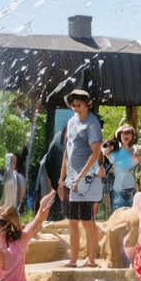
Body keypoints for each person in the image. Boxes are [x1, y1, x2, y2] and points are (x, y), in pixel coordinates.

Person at [58, 89, 105, 267]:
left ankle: (91, 259)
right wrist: (62, 178)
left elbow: (96, 152)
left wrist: (82, 175)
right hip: (72, 179)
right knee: (72, 221)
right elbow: (67, 151)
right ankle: (73, 259)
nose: (76, 109)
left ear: (88, 104)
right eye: (73, 106)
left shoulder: (92, 122)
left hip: (87, 178)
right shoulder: (71, 122)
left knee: (87, 221)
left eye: (79, 105)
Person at [110, 124, 139, 210]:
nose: (127, 135)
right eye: (124, 133)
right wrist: (135, 161)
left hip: (132, 189)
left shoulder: (134, 151)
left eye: (129, 133)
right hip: (119, 191)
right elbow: (121, 166)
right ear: (119, 135)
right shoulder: (114, 153)